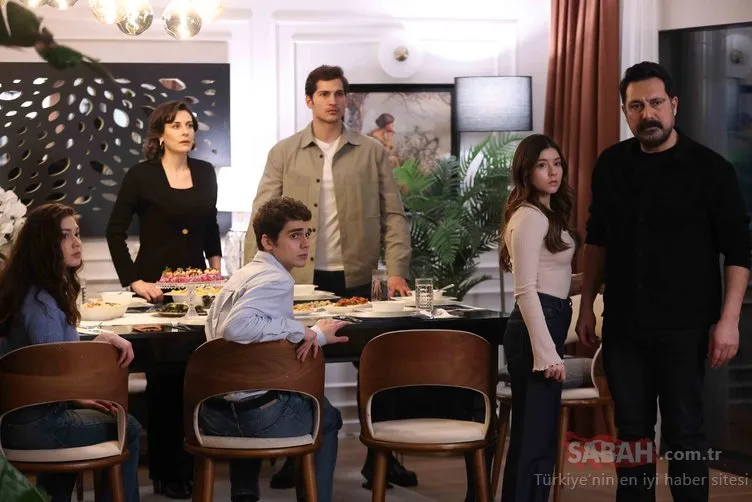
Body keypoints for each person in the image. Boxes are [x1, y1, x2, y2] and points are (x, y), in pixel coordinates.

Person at [576, 61, 751, 502]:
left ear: (674, 104)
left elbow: (739, 252)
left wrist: (729, 322)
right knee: (632, 435)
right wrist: (586, 307)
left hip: (686, 327)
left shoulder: (712, 170)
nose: (647, 113)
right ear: (625, 111)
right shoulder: (611, 165)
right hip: (624, 326)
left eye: (655, 103)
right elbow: (597, 241)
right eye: (636, 106)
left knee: (685, 434)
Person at [244, 64, 416, 489]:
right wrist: (253, 279)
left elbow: (394, 215)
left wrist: (397, 270)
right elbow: (261, 218)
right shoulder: (284, 152)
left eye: (339, 93)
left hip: (358, 278)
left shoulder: (372, 152)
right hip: (300, 281)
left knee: (377, 365)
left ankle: (382, 457)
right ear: (309, 100)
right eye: (323, 94)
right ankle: (295, 453)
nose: (332, 101)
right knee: (297, 363)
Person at [106, 100, 223, 498]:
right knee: (164, 381)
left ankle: (193, 465)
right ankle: (167, 472)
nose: (186, 131)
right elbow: (115, 232)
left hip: (198, 290)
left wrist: (216, 271)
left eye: (190, 125)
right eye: (176, 125)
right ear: (160, 133)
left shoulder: (205, 172)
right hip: (154, 291)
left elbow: (210, 226)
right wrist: (134, 281)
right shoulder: (141, 175)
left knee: (196, 376)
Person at [203, 196, 347, 502]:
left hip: (212, 414)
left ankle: (244, 494)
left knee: (251, 384)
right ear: (268, 242)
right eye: (294, 235)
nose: (305, 243)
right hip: (251, 418)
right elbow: (235, 328)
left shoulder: (242, 274)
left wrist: (312, 334)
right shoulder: (276, 279)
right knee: (328, 415)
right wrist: (306, 332)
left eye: (307, 233)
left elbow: (236, 338)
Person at [0, 203, 142, 502]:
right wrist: (76, 396)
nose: (77, 243)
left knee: (76, 418)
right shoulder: (43, 303)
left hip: (20, 419)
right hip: (36, 424)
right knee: (129, 427)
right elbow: (55, 366)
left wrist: (98, 338)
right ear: (44, 244)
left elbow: (51, 352)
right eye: (65, 236)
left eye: (77, 233)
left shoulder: (30, 289)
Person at [498, 134, 580, 502]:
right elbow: (526, 291)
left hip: (550, 317)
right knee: (534, 440)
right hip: (536, 327)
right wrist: (546, 354)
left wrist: (594, 281)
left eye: (557, 163)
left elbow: (554, 279)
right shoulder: (529, 217)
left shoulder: (547, 214)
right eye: (542, 165)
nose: (553, 172)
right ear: (526, 171)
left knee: (540, 438)